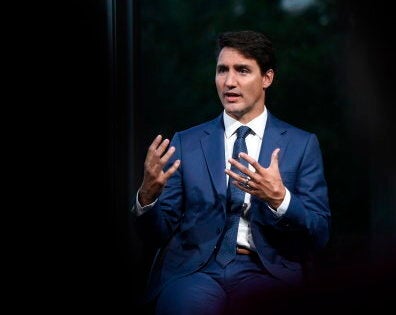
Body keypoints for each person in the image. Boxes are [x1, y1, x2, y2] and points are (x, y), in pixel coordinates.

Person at [132, 30, 331, 315]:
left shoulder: (301, 145)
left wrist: (280, 199)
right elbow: (156, 234)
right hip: (194, 271)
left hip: (266, 272)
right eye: (222, 70)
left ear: (267, 78)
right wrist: (147, 196)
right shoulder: (186, 142)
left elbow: (319, 233)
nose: (229, 82)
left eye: (242, 70)